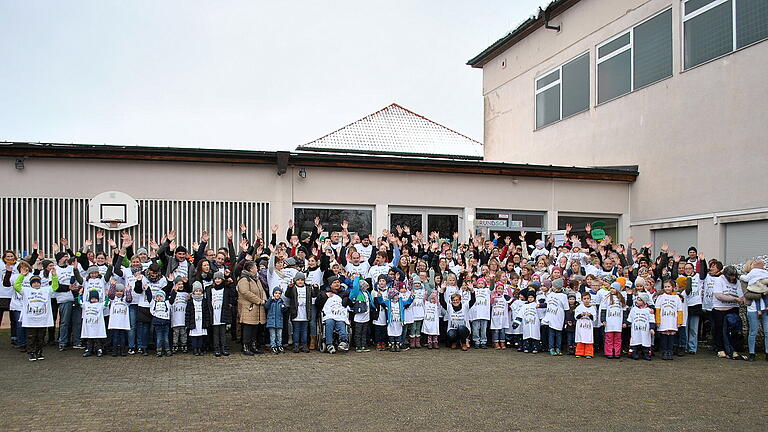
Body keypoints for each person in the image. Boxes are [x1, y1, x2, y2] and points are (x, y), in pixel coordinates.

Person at [15, 269, 56, 361]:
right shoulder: (26, 290)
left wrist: (54, 276)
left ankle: (39, 351)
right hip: (30, 319)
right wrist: (22, 275)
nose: (36, 284)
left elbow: (55, 287)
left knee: (41, 337)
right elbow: (16, 286)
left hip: (42, 319)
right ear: (31, 284)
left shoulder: (46, 290)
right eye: (34, 283)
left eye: (38, 282)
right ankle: (31, 352)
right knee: (31, 337)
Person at [237, 261, 267, 356]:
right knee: (248, 328)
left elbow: (262, 290)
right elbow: (245, 292)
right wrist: (259, 300)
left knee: (255, 327)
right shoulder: (244, 280)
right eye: (255, 267)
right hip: (248, 308)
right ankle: (246, 346)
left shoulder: (256, 279)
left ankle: (253, 346)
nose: (257, 269)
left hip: (257, 308)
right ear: (250, 269)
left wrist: (264, 300)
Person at [316, 277, 351, 354]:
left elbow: (350, 302)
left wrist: (346, 300)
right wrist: (325, 296)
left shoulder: (344, 293)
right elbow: (318, 303)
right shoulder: (324, 293)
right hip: (329, 315)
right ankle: (329, 343)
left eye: (338, 282)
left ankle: (343, 341)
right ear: (330, 284)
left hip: (339, 315)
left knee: (341, 323)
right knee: (329, 323)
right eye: (334, 282)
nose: (337, 284)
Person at [655, 279, 683, 361]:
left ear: (673, 287)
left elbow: (680, 310)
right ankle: (664, 351)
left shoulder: (676, 298)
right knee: (664, 337)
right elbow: (657, 309)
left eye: (669, 286)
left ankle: (670, 351)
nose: (667, 288)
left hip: (672, 321)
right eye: (665, 287)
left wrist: (679, 321)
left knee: (671, 337)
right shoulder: (660, 297)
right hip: (664, 320)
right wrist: (658, 321)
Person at [206, 271, 233, 357]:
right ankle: (216, 348)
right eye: (216, 279)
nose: (217, 280)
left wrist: (231, 282)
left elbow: (233, 294)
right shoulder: (210, 289)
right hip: (214, 314)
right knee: (215, 333)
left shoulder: (226, 289)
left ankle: (224, 348)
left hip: (223, 313)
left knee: (223, 333)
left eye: (219, 279)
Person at [439, 287, 475, 351]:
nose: (455, 301)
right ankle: (454, 342)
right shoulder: (449, 307)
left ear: (460, 300)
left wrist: (472, 290)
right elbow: (442, 301)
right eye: (454, 300)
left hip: (464, 329)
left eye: (457, 300)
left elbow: (473, 300)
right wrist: (442, 291)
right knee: (450, 334)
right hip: (453, 329)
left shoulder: (465, 306)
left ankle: (463, 343)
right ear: (451, 301)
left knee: (461, 328)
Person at [600, 282, 626, 359]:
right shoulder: (607, 297)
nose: (612, 290)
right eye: (611, 288)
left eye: (613, 288)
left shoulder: (621, 298)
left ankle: (617, 352)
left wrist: (624, 321)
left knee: (618, 338)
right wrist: (603, 320)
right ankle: (609, 352)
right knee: (609, 338)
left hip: (618, 321)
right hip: (609, 322)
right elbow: (603, 309)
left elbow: (624, 311)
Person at [348, 275, 371, 353]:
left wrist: (360, 276)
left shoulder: (367, 293)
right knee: (358, 333)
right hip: (358, 317)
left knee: (364, 332)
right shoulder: (357, 293)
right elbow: (355, 286)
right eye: (365, 286)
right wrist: (356, 278)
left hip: (366, 317)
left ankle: (363, 345)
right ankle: (358, 346)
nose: (366, 288)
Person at [80, 289, 107, 357]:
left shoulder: (100, 305)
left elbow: (106, 303)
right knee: (89, 339)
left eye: (95, 298)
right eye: (92, 298)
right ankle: (89, 350)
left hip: (97, 326)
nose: (94, 300)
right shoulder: (86, 304)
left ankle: (99, 349)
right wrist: (80, 295)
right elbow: (80, 302)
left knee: (98, 339)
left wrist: (106, 296)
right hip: (89, 325)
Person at [626, 295, 654, 360]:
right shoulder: (634, 309)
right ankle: (633, 353)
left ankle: (646, 354)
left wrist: (652, 328)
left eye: (640, 300)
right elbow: (630, 318)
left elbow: (652, 320)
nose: (637, 301)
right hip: (636, 329)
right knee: (635, 340)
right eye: (637, 300)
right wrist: (626, 324)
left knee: (645, 341)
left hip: (645, 329)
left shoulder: (649, 310)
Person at [107, 283, 132, 356]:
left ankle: (123, 351)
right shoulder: (113, 299)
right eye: (117, 291)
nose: (119, 292)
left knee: (123, 337)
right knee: (115, 337)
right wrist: (112, 286)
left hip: (123, 322)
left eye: (121, 291)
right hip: (115, 323)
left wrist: (128, 291)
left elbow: (129, 299)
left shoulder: (125, 300)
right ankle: (114, 351)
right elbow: (110, 295)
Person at [186, 283, 210, 356]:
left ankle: (200, 348)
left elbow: (206, 312)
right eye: (196, 291)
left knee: (201, 337)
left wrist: (207, 322)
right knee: (194, 337)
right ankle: (195, 349)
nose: (198, 292)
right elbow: (187, 313)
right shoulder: (190, 302)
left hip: (201, 322)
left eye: (200, 291)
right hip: (194, 322)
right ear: (193, 292)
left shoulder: (204, 301)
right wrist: (187, 323)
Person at [169, 278, 190, 354]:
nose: (180, 286)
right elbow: (170, 302)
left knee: (183, 333)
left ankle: (184, 345)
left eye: (182, 284)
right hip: (175, 319)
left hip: (183, 318)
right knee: (175, 333)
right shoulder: (172, 294)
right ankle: (175, 345)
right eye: (179, 284)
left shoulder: (185, 294)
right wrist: (174, 291)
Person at [149, 289, 172, 357]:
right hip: (158, 323)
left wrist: (174, 290)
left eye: (161, 296)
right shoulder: (154, 303)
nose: (159, 298)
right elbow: (149, 297)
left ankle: (167, 350)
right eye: (157, 296)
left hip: (165, 323)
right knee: (159, 338)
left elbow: (172, 299)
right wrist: (147, 289)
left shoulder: (167, 303)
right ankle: (159, 350)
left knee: (166, 338)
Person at [265, 288, 287, 354]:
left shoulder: (281, 302)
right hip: (271, 321)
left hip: (279, 321)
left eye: (279, 293)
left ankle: (279, 345)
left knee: (279, 335)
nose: (277, 295)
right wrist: (270, 300)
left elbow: (284, 310)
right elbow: (266, 306)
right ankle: (273, 346)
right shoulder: (270, 301)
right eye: (276, 293)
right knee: (273, 335)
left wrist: (284, 308)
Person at [574, 292, 595, 358]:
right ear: (582, 300)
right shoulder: (579, 307)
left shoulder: (592, 308)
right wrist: (581, 314)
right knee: (580, 338)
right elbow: (576, 317)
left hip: (588, 326)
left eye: (588, 298)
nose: (586, 300)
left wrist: (590, 315)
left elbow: (594, 318)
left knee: (588, 338)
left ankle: (589, 353)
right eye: (585, 299)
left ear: (590, 299)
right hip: (581, 325)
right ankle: (579, 352)